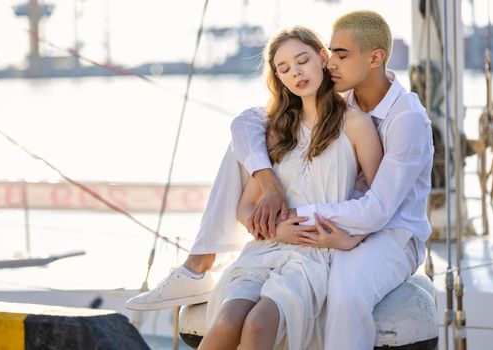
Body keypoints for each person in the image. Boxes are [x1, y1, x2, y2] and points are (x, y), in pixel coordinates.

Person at [127, 10, 434, 350]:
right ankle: (201, 258)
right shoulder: (317, 106)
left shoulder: (401, 118)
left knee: (344, 294)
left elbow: (378, 209)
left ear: (374, 58)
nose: (331, 63)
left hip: (390, 230)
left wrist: (307, 226)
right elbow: (246, 126)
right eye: (285, 68)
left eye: (337, 55)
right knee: (229, 317)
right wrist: (270, 188)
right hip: (296, 236)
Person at [198, 25, 382, 350]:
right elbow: (245, 208)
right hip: (268, 247)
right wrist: (274, 231)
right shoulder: (276, 131)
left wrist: (350, 239)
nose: (296, 73)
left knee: (258, 324)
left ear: (323, 59)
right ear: (279, 79)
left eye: (302, 60)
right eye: (284, 69)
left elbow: (381, 201)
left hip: (316, 253)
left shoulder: (356, 124)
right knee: (227, 320)